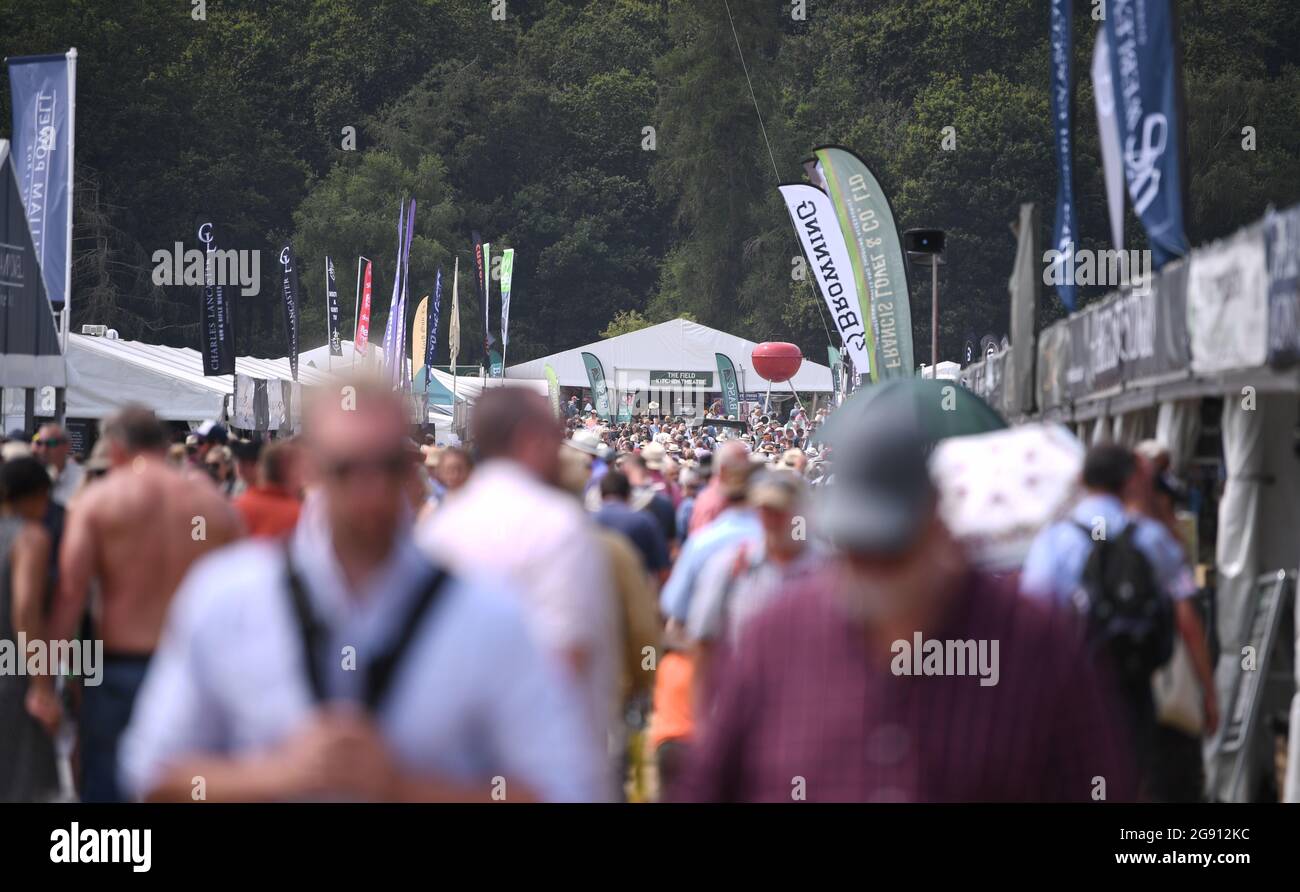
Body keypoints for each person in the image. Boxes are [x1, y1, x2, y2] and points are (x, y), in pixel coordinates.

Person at [121, 379, 604, 802]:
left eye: (388, 466)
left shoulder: (487, 614)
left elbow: (562, 787)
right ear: (307, 468)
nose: (370, 492)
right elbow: (151, 775)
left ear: (412, 470)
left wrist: (403, 789)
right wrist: (280, 775)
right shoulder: (229, 597)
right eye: (347, 468)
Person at [675, 394, 1137, 802]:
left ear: (936, 525)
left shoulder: (1035, 647)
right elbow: (708, 784)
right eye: (855, 549)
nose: (869, 572)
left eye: (890, 550)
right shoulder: (776, 638)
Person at [416, 388, 618, 796]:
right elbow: (566, 659)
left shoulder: (438, 529)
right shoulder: (556, 525)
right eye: (555, 432)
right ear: (531, 437)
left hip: (455, 772)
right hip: (548, 772)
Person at [47, 406, 244, 802]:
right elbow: (243, 601)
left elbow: (70, 594)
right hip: (194, 672)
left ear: (117, 449)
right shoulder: (213, 507)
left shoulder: (100, 503)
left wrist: (44, 680)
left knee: (109, 789)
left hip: (120, 667)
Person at [1020, 442, 1216, 794]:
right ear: (1129, 480)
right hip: (1136, 687)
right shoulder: (1151, 538)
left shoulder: (1054, 541)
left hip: (1072, 690)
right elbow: (1187, 615)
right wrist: (1208, 691)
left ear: (1081, 479)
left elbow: (1032, 621)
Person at [686, 469, 819, 698]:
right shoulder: (732, 565)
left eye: (779, 511)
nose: (771, 519)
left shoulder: (827, 569)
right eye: (764, 510)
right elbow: (704, 642)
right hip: (745, 698)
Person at [0, 458, 59, 801]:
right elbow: (25, 612)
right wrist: (42, 688)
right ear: (38, 494)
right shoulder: (30, 537)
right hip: (12, 672)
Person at [594, 470, 670, 585]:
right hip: (637, 590)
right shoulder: (644, 521)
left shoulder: (586, 521)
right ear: (628, 494)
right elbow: (663, 571)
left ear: (601, 494)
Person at [233, 439, 302, 538]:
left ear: (260, 466)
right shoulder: (301, 513)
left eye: (245, 463)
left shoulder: (239, 507)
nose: (239, 468)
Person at [32, 423, 84, 508]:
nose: (44, 449)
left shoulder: (82, 478)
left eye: (51, 443)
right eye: (39, 443)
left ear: (67, 446)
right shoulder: (29, 476)